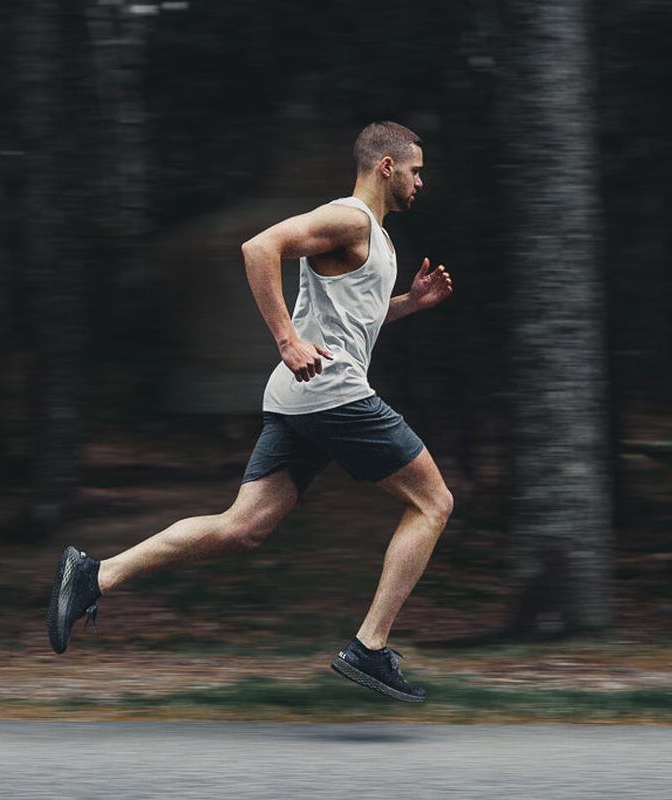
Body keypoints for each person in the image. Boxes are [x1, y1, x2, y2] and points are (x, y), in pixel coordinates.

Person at [47, 121, 454, 703]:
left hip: (303, 397)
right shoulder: (350, 218)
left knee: (243, 527)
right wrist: (286, 340)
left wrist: (412, 303)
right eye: (415, 169)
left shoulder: (376, 239)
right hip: (333, 393)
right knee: (433, 502)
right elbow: (259, 247)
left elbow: (352, 324)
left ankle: (95, 574)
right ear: (386, 167)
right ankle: (369, 647)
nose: (421, 181)